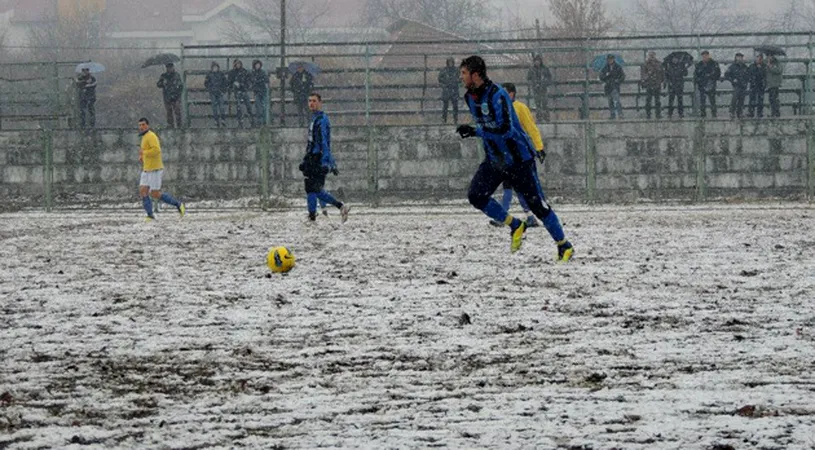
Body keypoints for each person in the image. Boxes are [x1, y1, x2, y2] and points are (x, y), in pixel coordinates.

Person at [456, 55, 573, 260]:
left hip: (519, 159)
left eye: (464, 73)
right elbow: (487, 126)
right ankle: (515, 224)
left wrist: (476, 131)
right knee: (476, 195)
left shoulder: (498, 95)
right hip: (495, 160)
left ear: (475, 75)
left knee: (538, 206)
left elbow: (504, 130)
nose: (461, 77)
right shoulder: (469, 98)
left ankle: (564, 245)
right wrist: (478, 133)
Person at [488, 82, 546, 228]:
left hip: (519, 153)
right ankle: (528, 216)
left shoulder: (520, 108)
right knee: (510, 184)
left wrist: (539, 147)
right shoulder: (498, 109)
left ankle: (534, 214)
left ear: (512, 94)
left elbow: (531, 128)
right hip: (505, 153)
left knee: (519, 185)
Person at [298, 92, 350, 223]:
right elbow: (311, 141)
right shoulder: (314, 119)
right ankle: (312, 216)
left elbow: (324, 142)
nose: (311, 103)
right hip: (311, 156)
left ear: (320, 103)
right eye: (310, 101)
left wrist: (326, 162)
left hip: (318, 157)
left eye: (314, 101)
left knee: (314, 188)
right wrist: (306, 158)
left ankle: (340, 206)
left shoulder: (322, 119)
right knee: (310, 188)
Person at [137, 118, 185, 221]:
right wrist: (142, 157)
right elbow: (146, 151)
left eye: (143, 125)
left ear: (148, 125)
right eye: (140, 125)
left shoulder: (151, 136)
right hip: (147, 168)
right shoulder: (144, 137)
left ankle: (178, 204)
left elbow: (156, 150)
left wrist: (144, 153)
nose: (141, 127)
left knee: (155, 193)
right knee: (143, 191)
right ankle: (150, 215)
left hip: (155, 168)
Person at [527, 54, 553, 121]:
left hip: (543, 89)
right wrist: (533, 83)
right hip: (536, 89)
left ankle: (546, 117)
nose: (537, 62)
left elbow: (549, 78)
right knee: (537, 104)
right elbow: (528, 78)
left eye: (538, 61)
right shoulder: (532, 69)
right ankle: (539, 117)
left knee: (544, 103)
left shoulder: (544, 69)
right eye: (536, 61)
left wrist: (545, 83)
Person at [694, 51, 720, 118]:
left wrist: (711, 78)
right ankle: (703, 114)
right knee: (703, 101)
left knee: (712, 100)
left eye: (706, 55)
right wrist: (699, 81)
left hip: (711, 84)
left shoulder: (714, 64)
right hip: (702, 85)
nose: (705, 57)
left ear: (708, 56)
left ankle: (713, 113)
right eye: (703, 56)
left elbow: (718, 74)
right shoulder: (700, 64)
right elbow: (696, 75)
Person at [157, 63, 183, 128]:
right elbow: (158, 85)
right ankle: (171, 125)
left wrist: (178, 95)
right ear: (166, 68)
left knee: (177, 111)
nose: (170, 69)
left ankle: (179, 125)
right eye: (168, 67)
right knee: (169, 112)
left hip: (175, 96)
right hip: (167, 96)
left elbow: (181, 86)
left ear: (173, 67)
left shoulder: (177, 75)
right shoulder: (163, 76)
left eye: (171, 67)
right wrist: (162, 82)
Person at [227, 60, 253, 128]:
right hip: (237, 91)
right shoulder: (232, 73)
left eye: (239, 64)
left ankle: (251, 120)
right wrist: (233, 85)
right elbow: (229, 82)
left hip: (244, 90)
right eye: (237, 64)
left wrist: (244, 85)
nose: (238, 65)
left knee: (248, 106)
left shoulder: (245, 72)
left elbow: (249, 80)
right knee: (239, 107)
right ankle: (240, 121)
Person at [724, 52, 749, 119]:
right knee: (734, 99)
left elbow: (748, 75)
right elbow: (726, 75)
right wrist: (733, 80)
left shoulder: (744, 67)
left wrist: (745, 81)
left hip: (743, 85)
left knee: (741, 100)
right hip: (736, 85)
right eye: (738, 57)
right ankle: (732, 112)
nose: (739, 58)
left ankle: (739, 112)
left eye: (740, 57)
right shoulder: (732, 66)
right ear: (736, 58)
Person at [600, 54, 625, 120]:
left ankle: (620, 114)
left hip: (615, 86)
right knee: (610, 101)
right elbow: (601, 77)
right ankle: (613, 114)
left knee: (617, 100)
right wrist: (606, 76)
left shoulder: (618, 67)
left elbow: (622, 76)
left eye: (611, 59)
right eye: (609, 59)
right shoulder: (605, 68)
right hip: (608, 87)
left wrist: (617, 81)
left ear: (613, 59)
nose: (610, 60)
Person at [640, 51, 664, 119]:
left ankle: (658, 114)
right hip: (649, 84)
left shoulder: (659, 64)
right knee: (648, 100)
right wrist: (648, 75)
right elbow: (643, 75)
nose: (652, 57)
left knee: (657, 100)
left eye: (653, 55)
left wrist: (661, 81)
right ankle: (648, 114)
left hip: (657, 84)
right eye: (650, 55)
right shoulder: (645, 64)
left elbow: (662, 73)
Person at [664, 54, 688, 119]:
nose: (675, 60)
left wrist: (685, 68)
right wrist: (668, 82)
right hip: (672, 85)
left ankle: (680, 113)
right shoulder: (669, 66)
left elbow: (685, 74)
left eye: (676, 58)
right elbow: (666, 75)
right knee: (671, 100)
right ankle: (670, 113)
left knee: (680, 100)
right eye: (673, 58)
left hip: (679, 85)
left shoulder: (681, 65)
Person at [204, 62, 227, 127]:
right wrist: (210, 89)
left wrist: (223, 90)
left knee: (221, 107)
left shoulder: (221, 74)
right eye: (214, 67)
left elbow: (225, 82)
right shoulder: (209, 74)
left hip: (220, 93)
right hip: (213, 93)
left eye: (216, 67)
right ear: (212, 68)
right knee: (214, 108)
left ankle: (223, 119)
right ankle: (216, 120)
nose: (215, 68)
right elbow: (206, 83)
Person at [438, 57, 460, 124]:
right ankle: (444, 120)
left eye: (451, 62)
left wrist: (456, 82)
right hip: (446, 91)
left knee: (455, 106)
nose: (450, 63)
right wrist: (444, 85)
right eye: (449, 62)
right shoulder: (444, 70)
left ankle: (455, 120)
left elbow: (461, 79)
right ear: (447, 62)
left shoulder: (457, 70)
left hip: (454, 90)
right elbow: (439, 79)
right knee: (445, 107)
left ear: (453, 62)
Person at [250, 60, 269, 127]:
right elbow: (253, 82)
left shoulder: (262, 72)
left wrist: (258, 82)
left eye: (258, 65)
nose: (257, 66)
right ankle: (259, 121)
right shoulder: (253, 73)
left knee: (264, 107)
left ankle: (264, 121)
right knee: (258, 107)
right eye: (256, 65)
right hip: (257, 92)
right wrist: (260, 81)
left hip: (262, 91)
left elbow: (266, 80)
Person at [748, 54, 767, 118]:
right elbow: (750, 74)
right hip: (753, 84)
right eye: (758, 58)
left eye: (760, 58)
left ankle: (759, 113)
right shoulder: (752, 66)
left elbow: (764, 75)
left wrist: (760, 69)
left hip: (761, 85)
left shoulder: (764, 66)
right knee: (752, 99)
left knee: (760, 100)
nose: (759, 60)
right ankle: (751, 112)